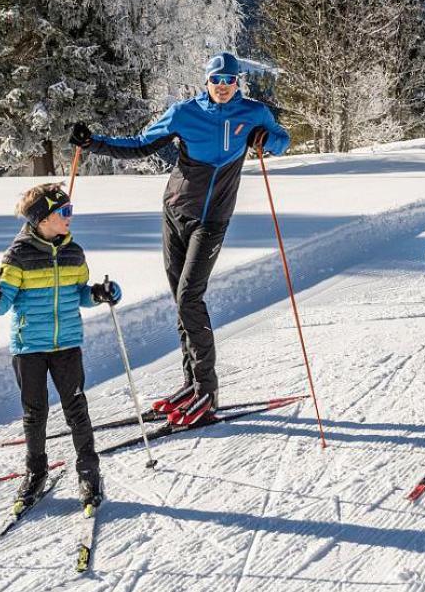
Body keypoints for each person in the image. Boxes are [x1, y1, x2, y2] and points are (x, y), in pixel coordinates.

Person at [71, 52, 289, 427]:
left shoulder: (253, 113)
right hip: (174, 213)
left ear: (238, 82)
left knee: (190, 296)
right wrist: (94, 143)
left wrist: (267, 138)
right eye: (216, 81)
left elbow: (282, 142)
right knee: (181, 301)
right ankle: (191, 383)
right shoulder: (184, 113)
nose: (222, 87)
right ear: (206, 81)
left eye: (229, 81)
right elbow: (140, 144)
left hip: (213, 220)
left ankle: (207, 388)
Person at [0, 183, 121, 508]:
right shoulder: (18, 256)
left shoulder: (74, 252)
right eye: (64, 211)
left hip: (67, 342)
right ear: (43, 218)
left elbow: (80, 293)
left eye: (71, 210)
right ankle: (36, 472)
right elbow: (3, 303)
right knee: (34, 413)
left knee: (76, 410)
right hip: (29, 348)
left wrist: (99, 294)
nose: (71, 217)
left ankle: (88, 471)